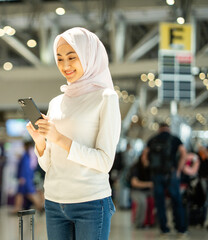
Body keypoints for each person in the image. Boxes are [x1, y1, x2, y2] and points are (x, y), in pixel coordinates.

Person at [26, 27, 121, 240]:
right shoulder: (56, 102)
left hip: (91, 202)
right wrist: (41, 142)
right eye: (59, 59)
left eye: (72, 57)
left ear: (89, 56)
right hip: (54, 202)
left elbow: (105, 161)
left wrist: (59, 138)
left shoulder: (106, 97)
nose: (65, 66)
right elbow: (48, 165)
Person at [142, 123, 187, 236]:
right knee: (176, 201)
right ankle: (181, 229)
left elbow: (144, 156)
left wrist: (149, 167)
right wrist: (178, 170)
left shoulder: (153, 139)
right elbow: (183, 153)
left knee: (160, 202)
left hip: (156, 175)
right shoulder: (174, 139)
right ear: (168, 129)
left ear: (159, 129)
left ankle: (164, 229)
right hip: (171, 174)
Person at [12, 141, 43, 213]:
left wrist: (22, 177)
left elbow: (25, 168)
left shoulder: (26, 156)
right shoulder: (32, 155)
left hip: (25, 178)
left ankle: (40, 206)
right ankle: (17, 208)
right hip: (28, 177)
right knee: (21, 193)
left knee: (30, 193)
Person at [129, 154, 154, 229]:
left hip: (149, 191)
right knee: (142, 202)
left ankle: (154, 222)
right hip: (137, 191)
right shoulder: (136, 168)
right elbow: (134, 183)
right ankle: (139, 223)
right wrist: (148, 184)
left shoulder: (152, 168)